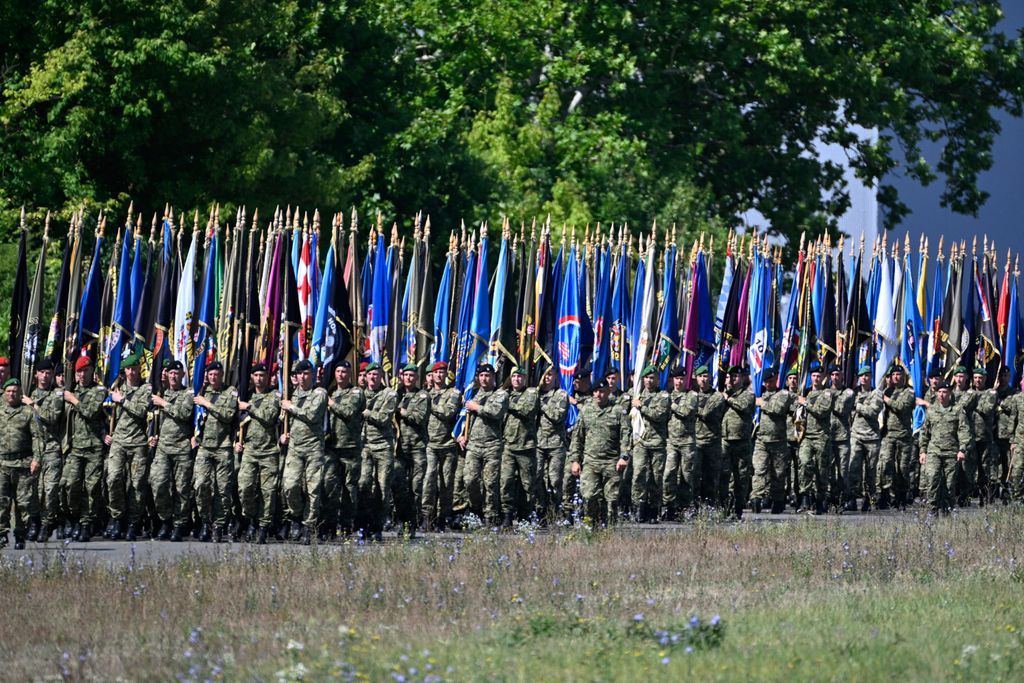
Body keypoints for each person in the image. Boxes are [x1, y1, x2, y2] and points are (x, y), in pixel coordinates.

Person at [569, 378, 631, 524]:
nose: (598, 394)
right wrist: (575, 461)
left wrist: (624, 457)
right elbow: (577, 438)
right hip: (591, 461)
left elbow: (625, 436)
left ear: (608, 392)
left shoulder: (618, 411)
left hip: (611, 461)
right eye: (596, 391)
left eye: (602, 391)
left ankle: (609, 530)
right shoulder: (586, 411)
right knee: (589, 496)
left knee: (612, 500)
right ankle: (592, 527)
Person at [104, 354, 153, 541]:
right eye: (128, 369)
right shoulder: (117, 387)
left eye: (134, 368)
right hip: (118, 441)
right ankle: (117, 517)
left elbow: (141, 411)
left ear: (139, 369)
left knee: (137, 484)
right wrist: (105, 432)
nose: (131, 372)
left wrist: (122, 400)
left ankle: (133, 522)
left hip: (138, 443)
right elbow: (105, 412)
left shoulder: (145, 388)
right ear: (124, 371)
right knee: (113, 478)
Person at [60, 357, 107, 542]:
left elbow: (91, 412)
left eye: (85, 371)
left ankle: (86, 523)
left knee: (91, 488)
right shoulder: (72, 391)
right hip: (75, 448)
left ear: (92, 371)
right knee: (70, 485)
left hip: (93, 447)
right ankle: (74, 518)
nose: (82, 375)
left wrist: (73, 400)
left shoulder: (99, 391)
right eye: (79, 371)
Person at [280, 359, 327, 544]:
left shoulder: (319, 393)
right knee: (290, 485)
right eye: (299, 373)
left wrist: (291, 407)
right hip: (295, 447)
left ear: (313, 375)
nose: (302, 377)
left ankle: (309, 525)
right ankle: (296, 515)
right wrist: (283, 434)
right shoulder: (291, 394)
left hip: (314, 447)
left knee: (313, 488)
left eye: (306, 373)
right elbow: (283, 417)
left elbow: (312, 415)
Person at [192, 361, 239, 542]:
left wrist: (207, 404)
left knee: (223, 489)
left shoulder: (230, 392)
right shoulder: (202, 391)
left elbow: (228, 415)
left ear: (222, 375)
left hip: (223, 446)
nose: (213, 378)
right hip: (204, 446)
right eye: (210, 374)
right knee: (201, 485)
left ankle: (218, 525)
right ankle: (205, 521)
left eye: (216, 374)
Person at [236, 362, 281, 544]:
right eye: (256, 375)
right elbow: (236, 421)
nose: (259, 379)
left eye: (262, 375)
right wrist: (236, 441)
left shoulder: (274, 396)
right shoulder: (245, 395)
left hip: (269, 451)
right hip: (250, 450)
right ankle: (251, 519)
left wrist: (249, 407)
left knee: (268, 492)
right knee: (245, 487)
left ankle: (263, 526)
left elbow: (269, 417)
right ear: (252, 377)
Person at [150, 360, 195, 541]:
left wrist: (164, 403)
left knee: (181, 488)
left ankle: (179, 524)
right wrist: (152, 434)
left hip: (181, 447)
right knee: (158, 483)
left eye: (177, 373)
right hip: (163, 447)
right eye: (171, 373)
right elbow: (153, 418)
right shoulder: (161, 392)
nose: (174, 376)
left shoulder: (188, 393)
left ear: (183, 375)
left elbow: (185, 414)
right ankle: (165, 520)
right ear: (167, 375)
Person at [459, 363, 508, 526]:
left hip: (492, 445)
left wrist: (476, 407)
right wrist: (462, 434)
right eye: (481, 376)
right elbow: (464, 417)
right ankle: (476, 509)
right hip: (473, 444)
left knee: (490, 482)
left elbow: (495, 412)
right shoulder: (472, 394)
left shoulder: (500, 394)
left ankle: (490, 515)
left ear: (493, 377)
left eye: (487, 376)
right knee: (470, 480)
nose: (484, 379)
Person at [24, 358, 64, 541]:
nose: (45, 376)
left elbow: (52, 417)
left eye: (48, 373)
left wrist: (33, 405)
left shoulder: (56, 395)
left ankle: (47, 524)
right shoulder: (29, 393)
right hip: (33, 449)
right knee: (34, 489)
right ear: (36, 374)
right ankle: (34, 522)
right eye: (42, 372)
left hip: (51, 447)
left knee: (50, 489)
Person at [0, 378, 40, 549]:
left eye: (15, 391)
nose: (11, 394)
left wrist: (37, 459)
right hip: (2, 463)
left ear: (20, 393)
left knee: (23, 503)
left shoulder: (28, 412)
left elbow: (37, 437)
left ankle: (20, 534)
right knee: (2, 501)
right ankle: (2, 534)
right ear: (4, 393)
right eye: (9, 391)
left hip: (23, 464)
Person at [326, 360, 365, 536]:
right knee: (330, 485)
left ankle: (347, 524)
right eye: (338, 371)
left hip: (350, 447)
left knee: (349, 488)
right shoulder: (330, 392)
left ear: (350, 374)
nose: (341, 375)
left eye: (344, 372)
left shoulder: (356, 392)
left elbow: (349, 412)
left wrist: (331, 403)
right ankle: (330, 523)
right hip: (332, 447)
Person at [360, 362, 398, 539]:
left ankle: (377, 526)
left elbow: (384, 418)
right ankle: (364, 523)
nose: (373, 377)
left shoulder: (389, 394)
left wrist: (367, 413)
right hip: (364, 446)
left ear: (381, 376)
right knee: (364, 484)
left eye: (376, 374)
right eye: (370, 374)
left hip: (383, 446)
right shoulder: (360, 394)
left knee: (382, 487)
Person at [919, 382, 969, 513]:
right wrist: (922, 451)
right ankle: (932, 511)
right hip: (934, 451)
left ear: (950, 393)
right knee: (932, 478)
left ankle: (947, 512)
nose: (941, 395)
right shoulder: (931, 410)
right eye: (939, 392)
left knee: (949, 484)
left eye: (945, 392)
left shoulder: (957, 410)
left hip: (951, 452)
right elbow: (925, 432)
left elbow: (963, 430)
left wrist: (962, 449)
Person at [421, 362, 460, 530]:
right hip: (430, 444)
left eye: (442, 372)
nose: (438, 375)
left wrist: (430, 404)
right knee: (428, 480)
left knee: (446, 483)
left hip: (448, 444)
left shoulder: (453, 393)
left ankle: (443, 517)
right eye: (435, 372)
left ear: (445, 375)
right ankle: (426, 516)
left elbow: (448, 412)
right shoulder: (424, 394)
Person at [751, 367, 795, 514]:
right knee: (759, 470)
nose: (768, 384)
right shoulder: (759, 394)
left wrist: (761, 403)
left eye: (770, 381)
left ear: (776, 379)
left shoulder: (783, 394)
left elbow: (778, 409)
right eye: (766, 382)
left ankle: (777, 500)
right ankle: (756, 498)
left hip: (778, 441)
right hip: (761, 440)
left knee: (779, 473)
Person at [500, 366, 540, 527]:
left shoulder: (531, 392)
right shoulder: (505, 394)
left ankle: (525, 515)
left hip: (525, 446)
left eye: (520, 377)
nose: (517, 379)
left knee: (527, 484)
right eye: (514, 376)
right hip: (508, 446)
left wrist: (506, 404)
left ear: (525, 379)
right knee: (506, 481)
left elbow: (527, 410)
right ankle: (507, 515)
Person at [630, 365, 670, 522]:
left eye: (652, 378)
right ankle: (638, 508)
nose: (649, 380)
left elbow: (659, 415)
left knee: (656, 477)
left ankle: (653, 510)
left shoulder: (663, 396)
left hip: (657, 442)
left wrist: (641, 406)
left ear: (658, 380)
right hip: (640, 441)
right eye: (646, 377)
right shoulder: (637, 394)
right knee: (638, 474)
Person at [797, 362, 834, 514]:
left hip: (821, 437)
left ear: (823, 377)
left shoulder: (827, 393)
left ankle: (820, 499)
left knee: (821, 470)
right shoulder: (805, 392)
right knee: (805, 463)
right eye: (813, 376)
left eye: (819, 376)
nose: (816, 378)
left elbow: (822, 411)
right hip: (806, 436)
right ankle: (805, 497)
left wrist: (805, 403)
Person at [395, 363, 428, 534]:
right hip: (399, 448)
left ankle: (413, 523)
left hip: (417, 448)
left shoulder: (422, 396)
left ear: (416, 378)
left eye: (411, 375)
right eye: (406, 375)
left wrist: (402, 411)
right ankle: (402, 520)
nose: (408, 378)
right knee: (399, 486)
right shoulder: (396, 394)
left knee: (416, 487)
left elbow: (420, 417)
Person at [879, 365, 917, 510]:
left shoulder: (909, 392)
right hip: (888, 435)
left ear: (903, 376)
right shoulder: (887, 391)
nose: (896, 377)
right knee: (886, 464)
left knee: (902, 468)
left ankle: (902, 496)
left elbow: (902, 407)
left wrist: (886, 400)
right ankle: (886, 494)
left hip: (903, 436)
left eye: (898, 374)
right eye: (893, 374)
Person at [848, 366, 884, 512]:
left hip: (872, 438)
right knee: (853, 468)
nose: (864, 378)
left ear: (871, 377)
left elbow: (873, 412)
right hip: (856, 435)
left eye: (867, 375)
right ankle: (851, 498)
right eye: (862, 376)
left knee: (871, 471)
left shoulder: (877, 393)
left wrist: (858, 406)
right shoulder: (853, 393)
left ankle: (868, 499)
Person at [720, 365, 755, 517]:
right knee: (724, 474)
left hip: (741, 441)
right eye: (730, 376)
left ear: (742, 378)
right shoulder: (723, 395)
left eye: (736, 376)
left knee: (741, 476)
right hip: (725, 439)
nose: (732, 379)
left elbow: (744, 407)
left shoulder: (748, 395)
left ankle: (738, 507)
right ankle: (725, 506)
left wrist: (728, 399)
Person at [665, 366, 698, 516]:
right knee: (669, 473)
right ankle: (669, 505)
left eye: (681, 379)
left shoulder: (691, 395)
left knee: (687, 475)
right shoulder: (667, 395)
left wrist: (671, 405)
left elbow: (686, 412)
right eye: (677, 379)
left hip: (687, 441)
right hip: (671, 441)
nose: (679, 382)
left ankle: (684, 507)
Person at [694, 365, 725, 506]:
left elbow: (705, 413)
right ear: (696, 378)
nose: (703, 379)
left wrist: (691, 408)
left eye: (705, 376)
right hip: (696, 441)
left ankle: (710, 506)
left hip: (712, 441)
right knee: (695, 476)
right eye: (700, 376)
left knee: (710, 477)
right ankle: (695, 506)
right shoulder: (692, 395)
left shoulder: (717, 396)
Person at [829, 365, 855, 508]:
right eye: (832, 374)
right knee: (829, 470)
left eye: (837, 374)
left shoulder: (848, 392)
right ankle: (832, 497)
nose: (835, 377)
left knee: (843, 470)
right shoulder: (825, 391)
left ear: (842, 376)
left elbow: (841, 409)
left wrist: (827, 400)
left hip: (842, 437)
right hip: (828, 436)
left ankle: (845, 497)